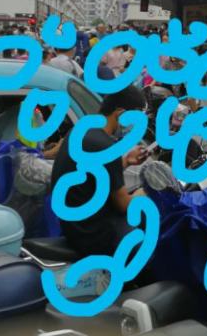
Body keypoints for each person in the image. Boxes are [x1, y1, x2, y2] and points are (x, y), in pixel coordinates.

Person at [51, 86, 149, 256]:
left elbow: (94, 175)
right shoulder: (106, 147)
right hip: (94, 235)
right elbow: (124, 205)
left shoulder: (81, 131)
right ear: (120, 114)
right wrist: (145, 191)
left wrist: (126, 161)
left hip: (73, 227)